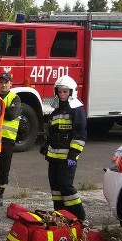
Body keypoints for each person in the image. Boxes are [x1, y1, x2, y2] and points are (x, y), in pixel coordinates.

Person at [40, 74, 87, 220]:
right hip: (53, 158)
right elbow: (52, 132)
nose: (62, 94)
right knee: (55, 189)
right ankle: (61, 217)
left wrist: (73, 156)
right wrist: (46, 145)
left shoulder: (77, 109)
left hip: (68, 158)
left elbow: (79, 135)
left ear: (71, 92)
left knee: (66, 187)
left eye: (65, 91)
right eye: (59, 91)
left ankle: (80, 218)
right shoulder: (56, 110)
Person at [0, 71, 21, 207]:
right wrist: (4, 109)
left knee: (3, 169)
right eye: (1, 82)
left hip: (8, 139)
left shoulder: (15, 98)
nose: (3, 85)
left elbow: (12, 114)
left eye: (6, 82)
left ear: (10, 84)